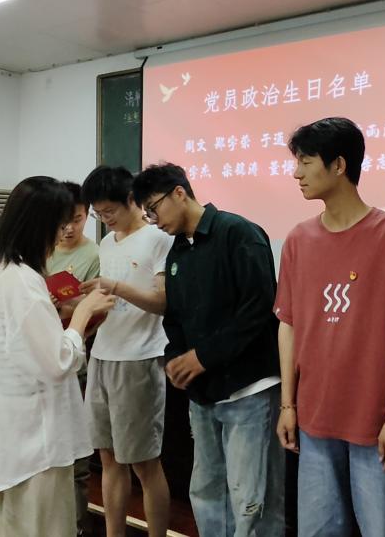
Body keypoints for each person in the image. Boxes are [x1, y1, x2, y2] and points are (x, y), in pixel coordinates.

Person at [274, 117, 385, 537]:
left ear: (339, 165)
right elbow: (287, 325)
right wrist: (288, 406)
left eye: (306, 162)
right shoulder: (298, 240)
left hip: (375, 422)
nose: (297, 173)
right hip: (314, 420)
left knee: (384, 529)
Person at [132, 163, 284, 537]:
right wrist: (176, 358)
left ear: (179, 193)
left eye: (154, 208)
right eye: (147, 213)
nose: (153, 220)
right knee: (206, 490)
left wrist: (203, 357)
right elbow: (174, 317)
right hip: (203, 394)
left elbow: (258, 307)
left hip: (249, 388)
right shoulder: (177, 253)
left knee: (251, 498)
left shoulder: (239, 233)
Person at [0, 176, 115, 537]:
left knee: (17, 523)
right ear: (39, 226)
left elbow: (31, 345)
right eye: (58, 225)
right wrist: (84, 312)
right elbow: (57, 362)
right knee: (42, 525)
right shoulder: (22, 282)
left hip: (11, 430)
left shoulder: (1, 270)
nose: (62, 234)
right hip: (33, 438)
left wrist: (71, 321)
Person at [78, 166, 173, 537]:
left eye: (109, 211)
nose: (105, 219)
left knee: (144, 463)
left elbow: (162, 302)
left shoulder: (157, 238)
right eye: (98, 214)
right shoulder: (107, 243)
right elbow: (109, 303)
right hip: (102, 356)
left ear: (132, 199)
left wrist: (114, 286)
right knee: (108, 458)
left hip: (139, 359)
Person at [45, 181, 99, 535]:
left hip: (75, 355)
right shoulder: (42, 250)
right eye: (63, 221)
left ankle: (77, 525)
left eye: (77, 220)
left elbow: (97, 309)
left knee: (76, 450)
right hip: (41, 355)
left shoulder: (93, 254)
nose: (69, 228)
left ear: (87, 216)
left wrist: (67, 305)